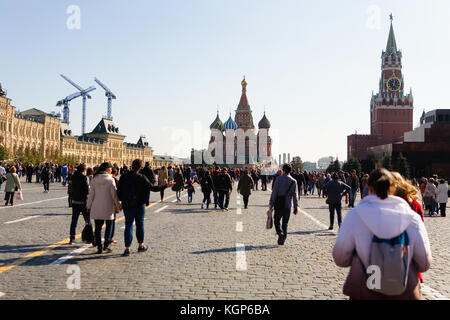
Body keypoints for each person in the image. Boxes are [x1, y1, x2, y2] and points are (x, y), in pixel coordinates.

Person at [332, 168, 432, 300]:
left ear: (368, 187)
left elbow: (340, 258)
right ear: (394, 187)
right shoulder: (412, 218)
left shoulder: (355, 216)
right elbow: (424, 263)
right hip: (404, 290)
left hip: (364, 289)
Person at [117, 159, 170, 256]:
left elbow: (119, 190)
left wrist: (121, 202)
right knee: (139, 225)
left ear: (132, 166)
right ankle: (140, 245)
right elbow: (153, 188)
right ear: (140, 167)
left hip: (127, 204)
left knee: (128, 225)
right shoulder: (142, 177)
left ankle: (127, 248)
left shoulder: (123, 176)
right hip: (139, 204)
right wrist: (166, 185)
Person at [87, 162, 121, 254]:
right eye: (110, 168)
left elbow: (91, 195)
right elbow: (114, 195)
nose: (111, 170)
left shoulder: (94, 179)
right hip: (108, 206)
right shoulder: (110, 179)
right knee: (109, 227)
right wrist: (118, 205)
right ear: (106, 169)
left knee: (98, 228)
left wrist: (88, 206)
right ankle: (106, 245)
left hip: (96, 206)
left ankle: (99, 247)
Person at [269, 164, 298, 245]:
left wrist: (271, 203)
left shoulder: (278, 179)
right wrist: (296, 207)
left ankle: (280, 232)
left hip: (278, 203)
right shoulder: (293, 181)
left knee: (276, 220)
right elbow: (295, 195)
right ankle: (283, 239)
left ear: (283, 170)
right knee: (285, 223)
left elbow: (274, 192)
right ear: (290, 171)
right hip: (288, 204)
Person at [69, 164, 90, 245]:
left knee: (74, 220)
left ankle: (72, 238)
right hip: (83, 202)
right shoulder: (84, 177)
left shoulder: (73, 176)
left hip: (75, 201)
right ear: (84, 170)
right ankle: (90, 237)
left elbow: (71, 188)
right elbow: (87, 190)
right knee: (87, 220)